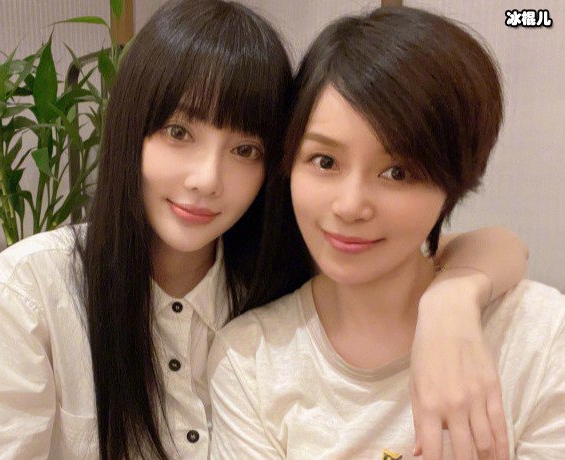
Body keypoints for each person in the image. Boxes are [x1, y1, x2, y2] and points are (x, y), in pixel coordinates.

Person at [0, 2, 527, 459]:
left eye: (245, 149)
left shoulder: (286, 269)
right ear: (129, 129)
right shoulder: (28, 293)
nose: (206, 180)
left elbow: (492, 246)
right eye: (178, 133)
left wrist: (452, 302)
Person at [208, 6, 563, 460]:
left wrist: (450, 302)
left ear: (453, 180)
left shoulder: (539, 337)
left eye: (397, 172)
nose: (351, 205)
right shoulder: (250, 362)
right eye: (324, 161)